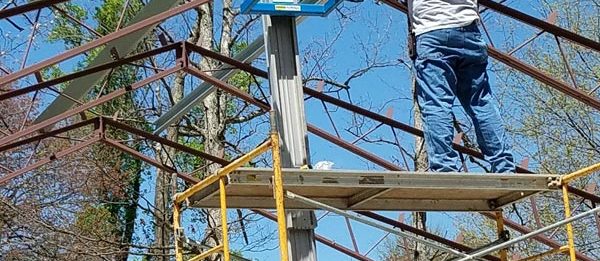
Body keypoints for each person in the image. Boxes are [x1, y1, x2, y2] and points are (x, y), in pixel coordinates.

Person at [408, 0, 516, 173]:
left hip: (432, 31)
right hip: (469, 32)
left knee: (437, 104)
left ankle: (444, 168)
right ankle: (504, 166)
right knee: (480, 102)